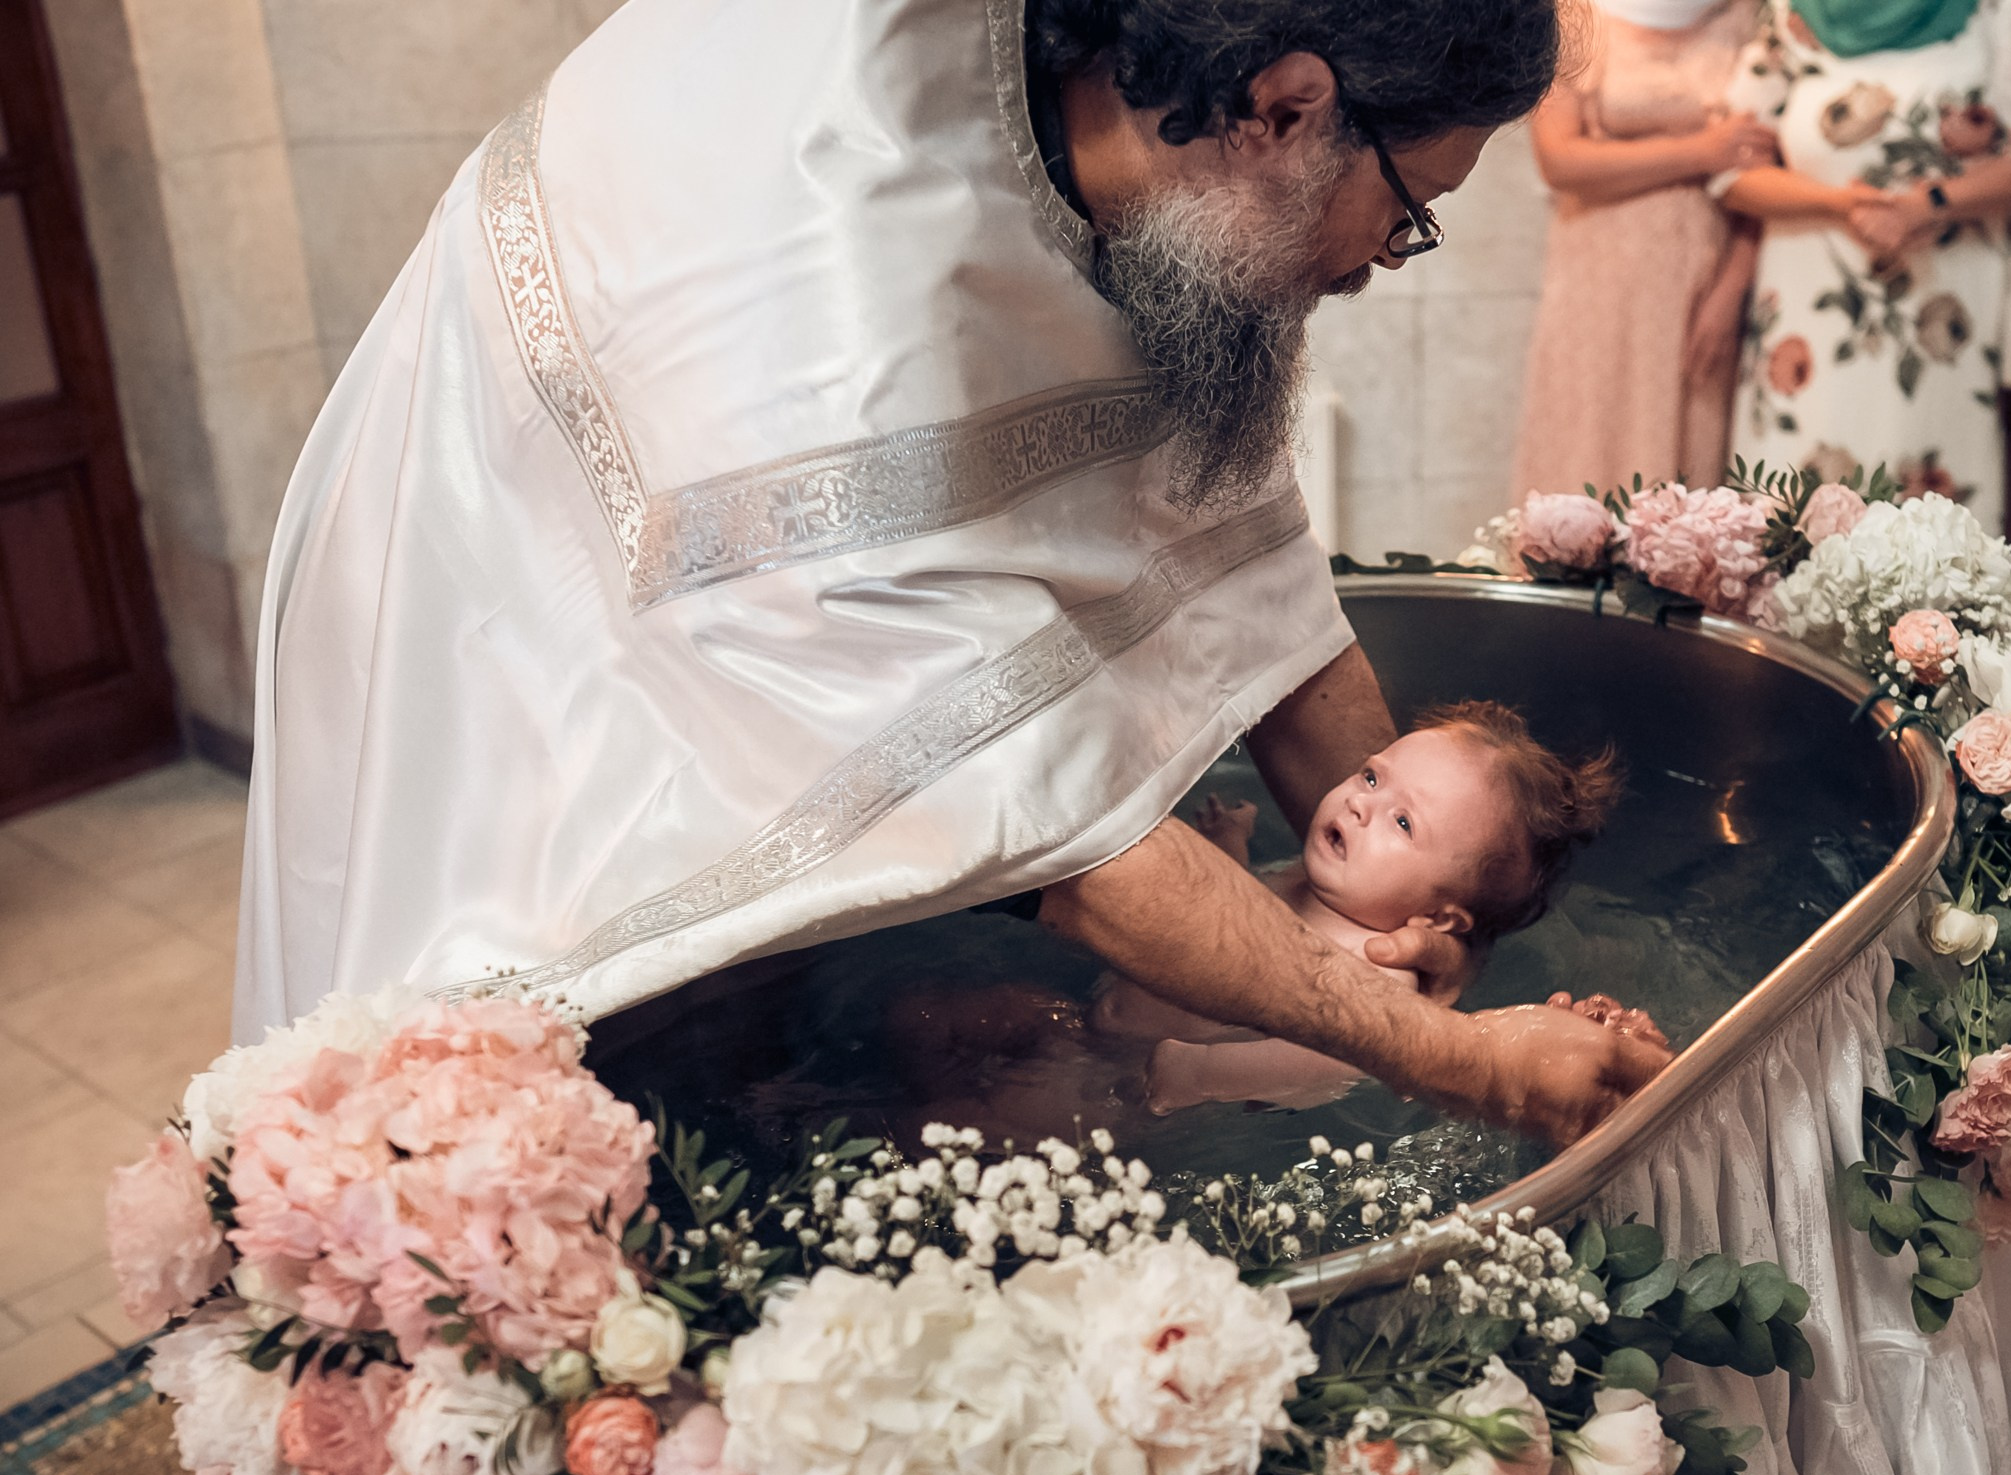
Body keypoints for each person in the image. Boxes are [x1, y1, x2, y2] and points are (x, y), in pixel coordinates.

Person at [232, 0, 1669, 1192]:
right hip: (501, 604)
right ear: (1287, 108)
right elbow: (1043, 827)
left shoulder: (1137, 116)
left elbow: (1238, 560)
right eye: (1410, 211)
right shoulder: (836, 300)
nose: (1378, 264)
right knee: (562, 1156)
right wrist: (1465, 1060)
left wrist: (1433, 921)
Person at [893, 702, 1651, 1134]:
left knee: (964, 1129)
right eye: (1371, 774)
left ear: (1441, 916)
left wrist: (1194, 1074)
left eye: (1404, 822)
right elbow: (1216, 905)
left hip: (1117, 1084)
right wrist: (1228, 844)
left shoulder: (1377, 969)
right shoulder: (1316, 879)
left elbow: (1323, 1058)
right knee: (919, 1014)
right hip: (1082, 1020)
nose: (1360, 800)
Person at [1717, 0, 2011, 523]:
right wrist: (1843, 205)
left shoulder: (2000, 10)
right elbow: (1730, 168)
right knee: (1791, 513)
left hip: (1941, 322)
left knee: (1926, 524)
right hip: (1805, 319)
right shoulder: (1790, 14)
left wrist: (1926, 204)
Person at [1511, 0, 1779, 500]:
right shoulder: (1575, 16)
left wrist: (1731, 289)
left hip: (1706, 281)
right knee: (1588, 442)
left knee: (1694, 460)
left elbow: (1769, 165)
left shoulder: (1751, 19)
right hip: (1599, 282)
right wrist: (1703, 151)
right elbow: (1560, 160)